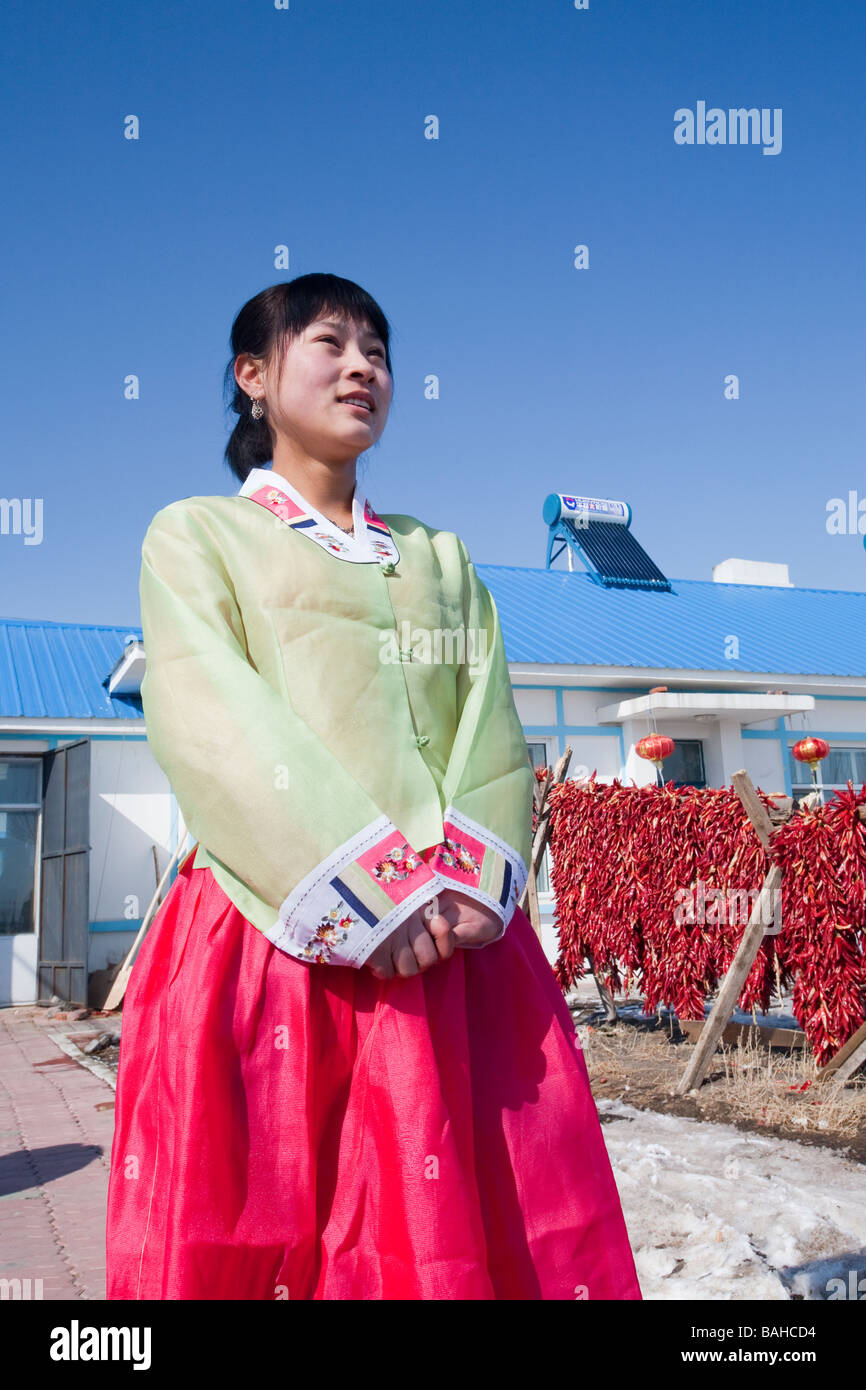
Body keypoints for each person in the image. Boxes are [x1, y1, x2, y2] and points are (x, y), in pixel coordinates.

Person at [105, 272, 642, 1301]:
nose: (363, 366)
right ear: (252, 376)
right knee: (263, 1228)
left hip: (452, 942)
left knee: (467, 1229)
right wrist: (364, 890)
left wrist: (456, 888)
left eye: (378, 350)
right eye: (330, 342)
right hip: (272, 936)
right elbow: (210, 716)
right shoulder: (197, 538)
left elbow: (488, 725)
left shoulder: (439, 557)